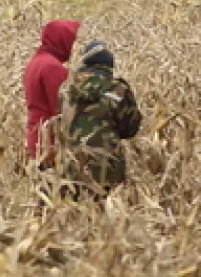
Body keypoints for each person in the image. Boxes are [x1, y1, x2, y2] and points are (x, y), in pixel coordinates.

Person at [61, 40, 143, 201]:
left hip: (72, 164)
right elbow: (130, 129)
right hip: (108, 164)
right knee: (105, 214)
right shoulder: (118, 90)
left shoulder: (68, 88)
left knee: (74, 214)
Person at [23, 20, 80, 170]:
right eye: (72, 41)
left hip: (37, 137)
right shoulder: (52, 68)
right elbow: (63, 109)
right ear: (62, 40)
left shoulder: (36, 62)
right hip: (49, 144)